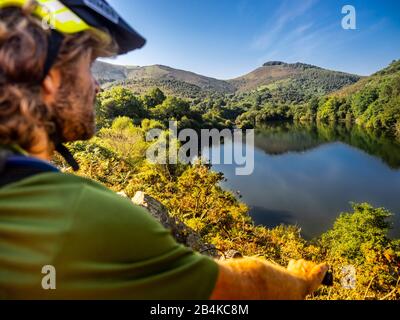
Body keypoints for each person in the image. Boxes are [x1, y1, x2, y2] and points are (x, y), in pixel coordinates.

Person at [0, 0, 328, 300]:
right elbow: (239, 293)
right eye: (90, 65)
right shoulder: (79, 214)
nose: (97, 84)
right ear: (50, 78)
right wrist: (301, 280)